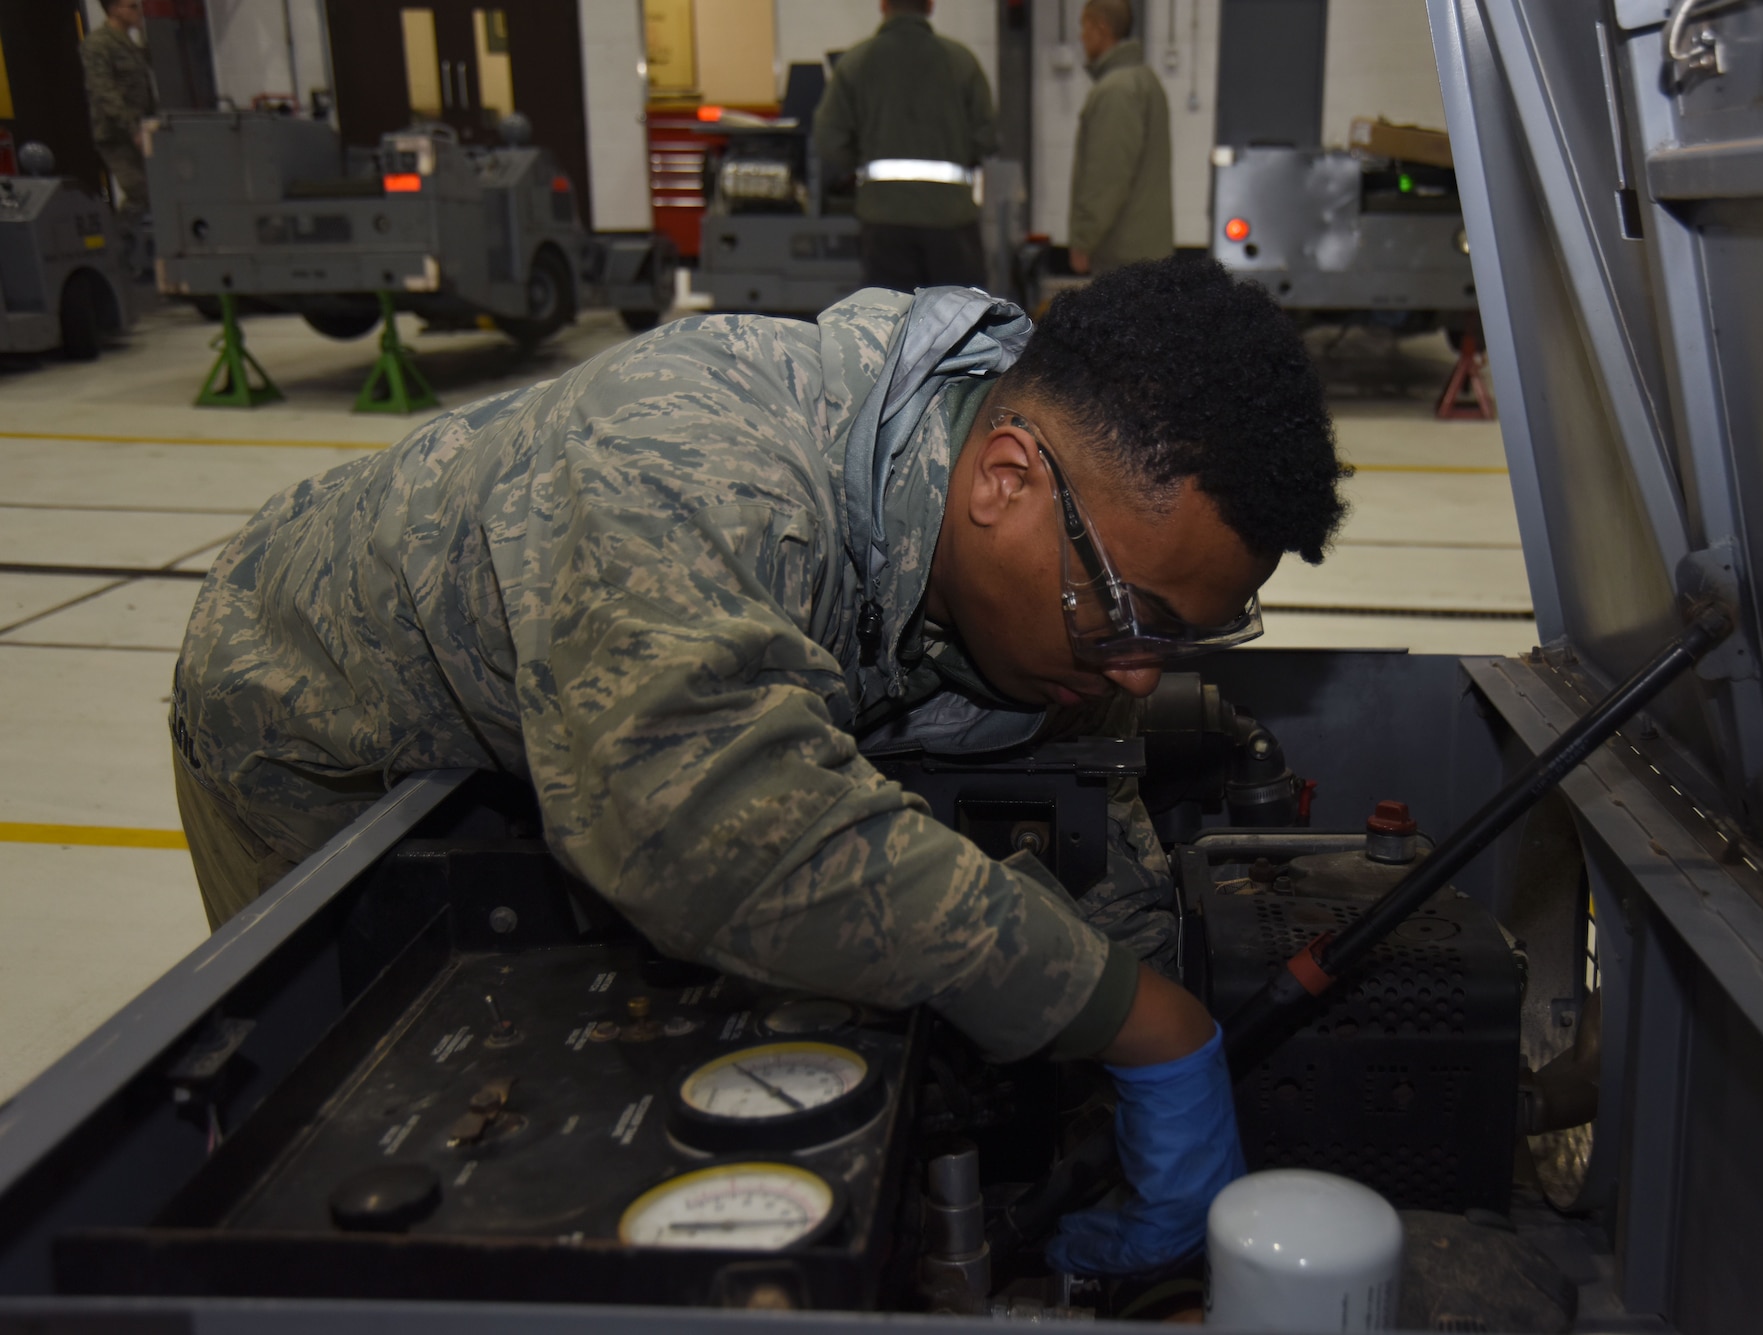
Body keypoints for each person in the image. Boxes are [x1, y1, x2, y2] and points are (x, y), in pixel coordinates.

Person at [171, 258, 1343, 1275]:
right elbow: (696, 819)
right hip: (324, 739)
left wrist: (1156, 1089)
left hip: (571, 746)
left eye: (1176, 640)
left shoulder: (1065, 619)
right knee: (373, 1123)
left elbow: (1100, 847)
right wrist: (1135, 1019)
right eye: (1132, 619)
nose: (1140, 677)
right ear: (1004, 482)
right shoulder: (700, 447)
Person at [813, 0, 997, 292]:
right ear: (930, 6)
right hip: (951, 219)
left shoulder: (858, 61)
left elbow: (828, 138)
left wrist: (861, 164)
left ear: (883, 5)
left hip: (885, 220)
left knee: (892, 321)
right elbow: (987, 136)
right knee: (958, 322)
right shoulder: (961, 61)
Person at [1068, 0, 1174, 277]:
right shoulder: (1144, 80)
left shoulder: (1117, 90)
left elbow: (1107, 175)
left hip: (1123, 254)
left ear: (1100, 28)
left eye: (1084, 26)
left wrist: (1083, 239)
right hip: (1145, 249)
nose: (1081, 36)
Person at [79, 0, 157, 220]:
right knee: (141, 193)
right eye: (133, 6)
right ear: (114, 10)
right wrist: (133, 129)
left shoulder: (129, 43)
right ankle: (121, 244)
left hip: (141, 129)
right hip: (117, 135)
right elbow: (104, 92)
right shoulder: (98, 44)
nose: (139, 11)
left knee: (154, 193)